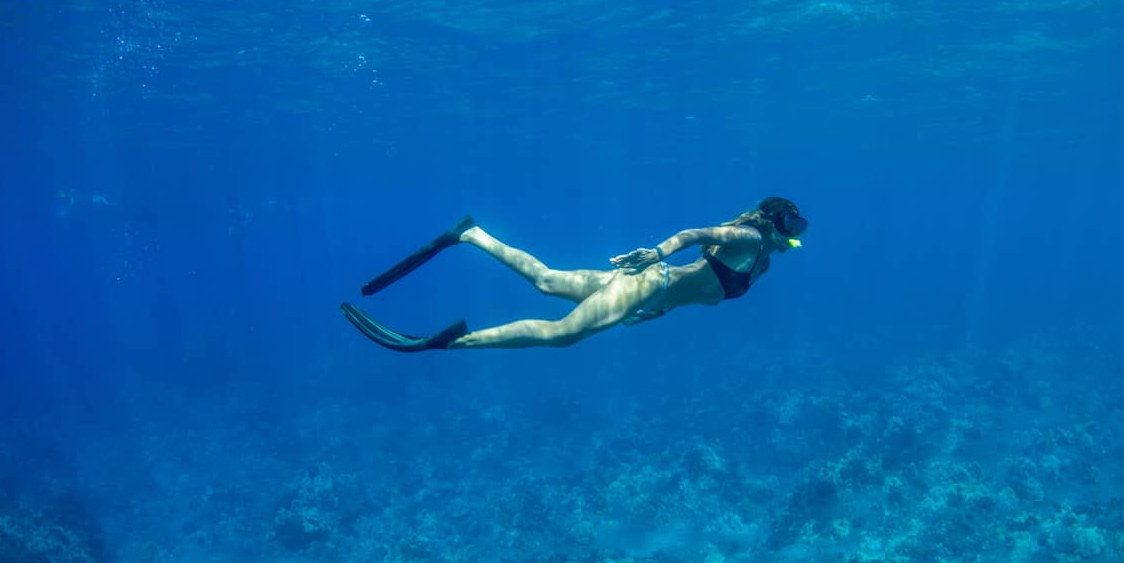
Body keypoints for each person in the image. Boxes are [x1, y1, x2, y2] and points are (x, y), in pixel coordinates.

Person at [339, 197, 806, 351]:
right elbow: (690, 234)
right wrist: (654, 254)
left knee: (546, 280)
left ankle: (471, 235)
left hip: (653, 291)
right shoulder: (749, 240)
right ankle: (452, 343)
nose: (795, 236)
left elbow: (699, 282)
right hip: (648, 281)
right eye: (793, 226)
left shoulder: (761, 259)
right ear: (775, 223)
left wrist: (660, 308)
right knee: (562, 335)